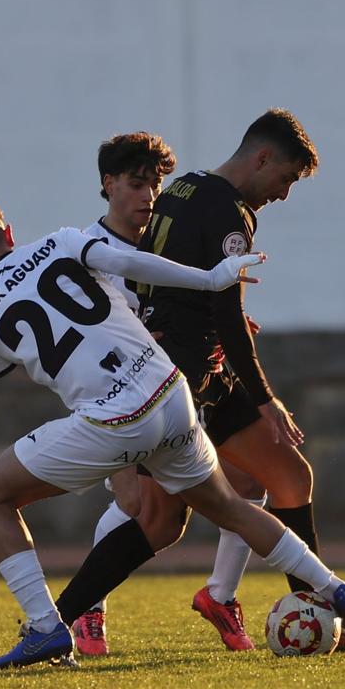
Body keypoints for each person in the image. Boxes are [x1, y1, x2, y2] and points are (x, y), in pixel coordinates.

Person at [0, 196, 345, 667]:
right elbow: (128, 263)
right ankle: (335, 588)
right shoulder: (61, 242)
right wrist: (210, 279)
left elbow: (40, 363)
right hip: (170, 391)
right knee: (229, 505)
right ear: (8, 233)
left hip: (116, 419)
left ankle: (46, 628)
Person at [54, 110, 345, 654]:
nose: (282, 194)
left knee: (287, 476)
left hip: (202, 368)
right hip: (178, 379)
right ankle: (59, 619)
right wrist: (267, 399)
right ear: (261, 158)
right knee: (157, 521)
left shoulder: (182, 188)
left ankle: (325, 620)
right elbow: (229, 316)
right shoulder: (231, 212)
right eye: (285, 179)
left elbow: (156, 272)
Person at [66, 131, 270, 657]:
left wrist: (228, 324)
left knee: (252, 478)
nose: (147, 197)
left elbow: (192, 301)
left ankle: (221, 596)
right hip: (122, 394)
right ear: (107, 184)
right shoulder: (91, 251)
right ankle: (88, 609)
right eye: (136, 184)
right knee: (139, 507)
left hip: (187, 380)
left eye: (154, 185)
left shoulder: (166, 237)